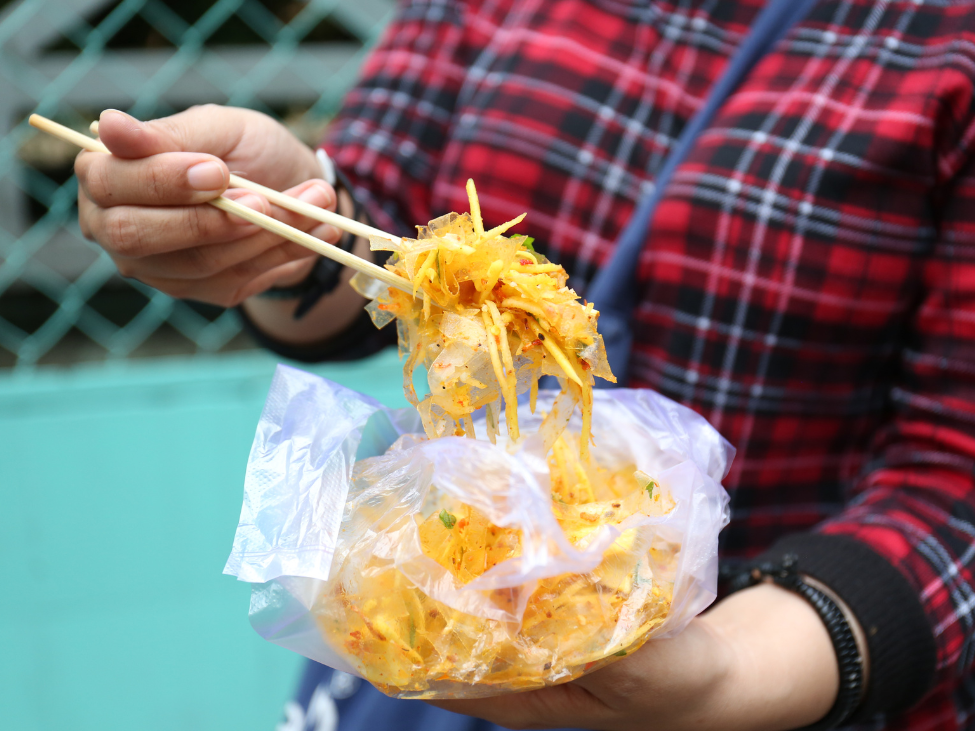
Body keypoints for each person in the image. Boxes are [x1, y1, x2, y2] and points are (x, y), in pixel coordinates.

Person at [73, 0, 975, 729]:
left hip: (790, 670)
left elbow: (955, 474)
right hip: (457, 617)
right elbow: (373, 240)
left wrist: (724, 673)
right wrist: (284, 233)